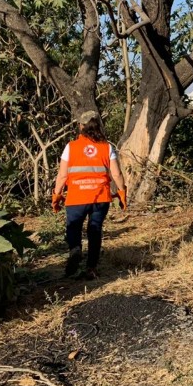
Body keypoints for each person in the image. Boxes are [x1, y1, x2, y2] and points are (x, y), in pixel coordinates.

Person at [51, 111, 127, 279]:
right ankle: (91, 268)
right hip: (100, 198)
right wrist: (122, 192)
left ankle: (75, 249)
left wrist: (57, 195)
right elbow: (116, 174)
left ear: (81, 127)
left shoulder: (70, 147)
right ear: (98, 125)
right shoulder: (107, 147)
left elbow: (63, 175)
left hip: (76, 197)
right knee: (95, 230)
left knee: (74, 227)